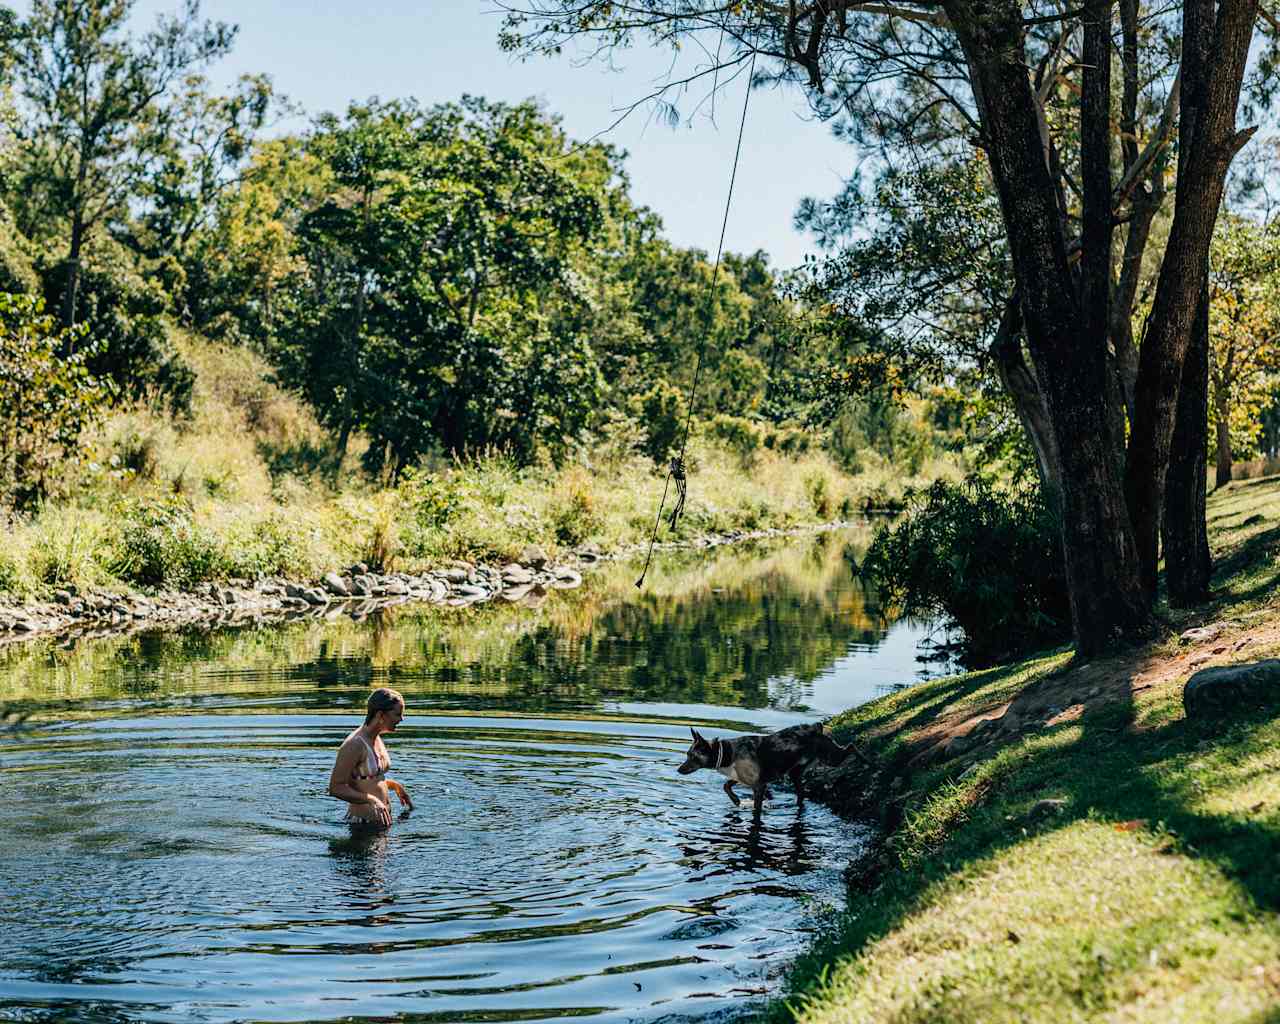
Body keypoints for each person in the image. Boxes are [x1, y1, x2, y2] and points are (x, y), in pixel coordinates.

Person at [329, 687, 413, 829]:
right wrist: (372, 800)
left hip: (380, 824)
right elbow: (335, 788)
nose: (401, 719)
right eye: (397, 714)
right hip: (362, 826)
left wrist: (393, 785)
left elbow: (367, 779)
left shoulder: (376, 737)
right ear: (381, 715)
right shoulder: (355, 745)